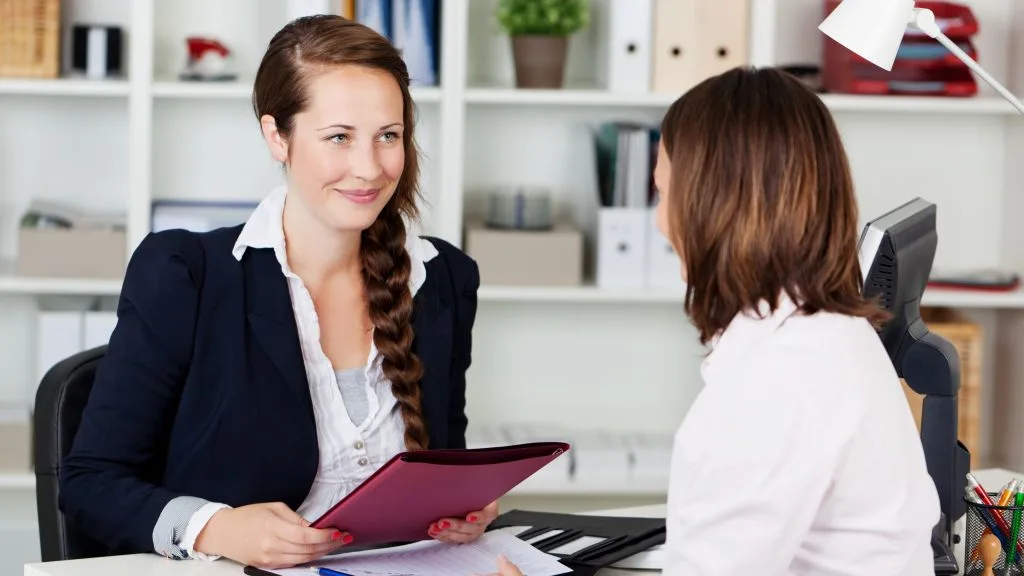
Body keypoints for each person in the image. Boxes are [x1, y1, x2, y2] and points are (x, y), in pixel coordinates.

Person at [58, 15, 496, 570]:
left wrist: (461, 511)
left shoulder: (443, 278)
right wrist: (214, 526)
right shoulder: (185, 274)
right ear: (276, 137)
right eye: (339, 137)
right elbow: (88, 483)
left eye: (388, 136)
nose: (369, 168)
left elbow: (441, 465)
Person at [493, 67, 940, 575]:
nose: (660, 224)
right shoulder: (834, 333)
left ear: (710, 204)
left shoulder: (774, 382)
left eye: (663, 194)